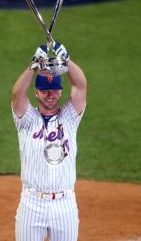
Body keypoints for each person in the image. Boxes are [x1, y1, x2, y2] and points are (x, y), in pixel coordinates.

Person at [11, 41, 87, 241]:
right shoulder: (27, 120)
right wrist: (33, 65)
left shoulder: (69, 118)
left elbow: (81, 85)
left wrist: (67, 61)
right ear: (36, 93)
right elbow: (17, 93)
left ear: (61, 91)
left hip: (65, 204)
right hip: (32, 203)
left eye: (54, 90)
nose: (50, 95)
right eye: (45, 91)